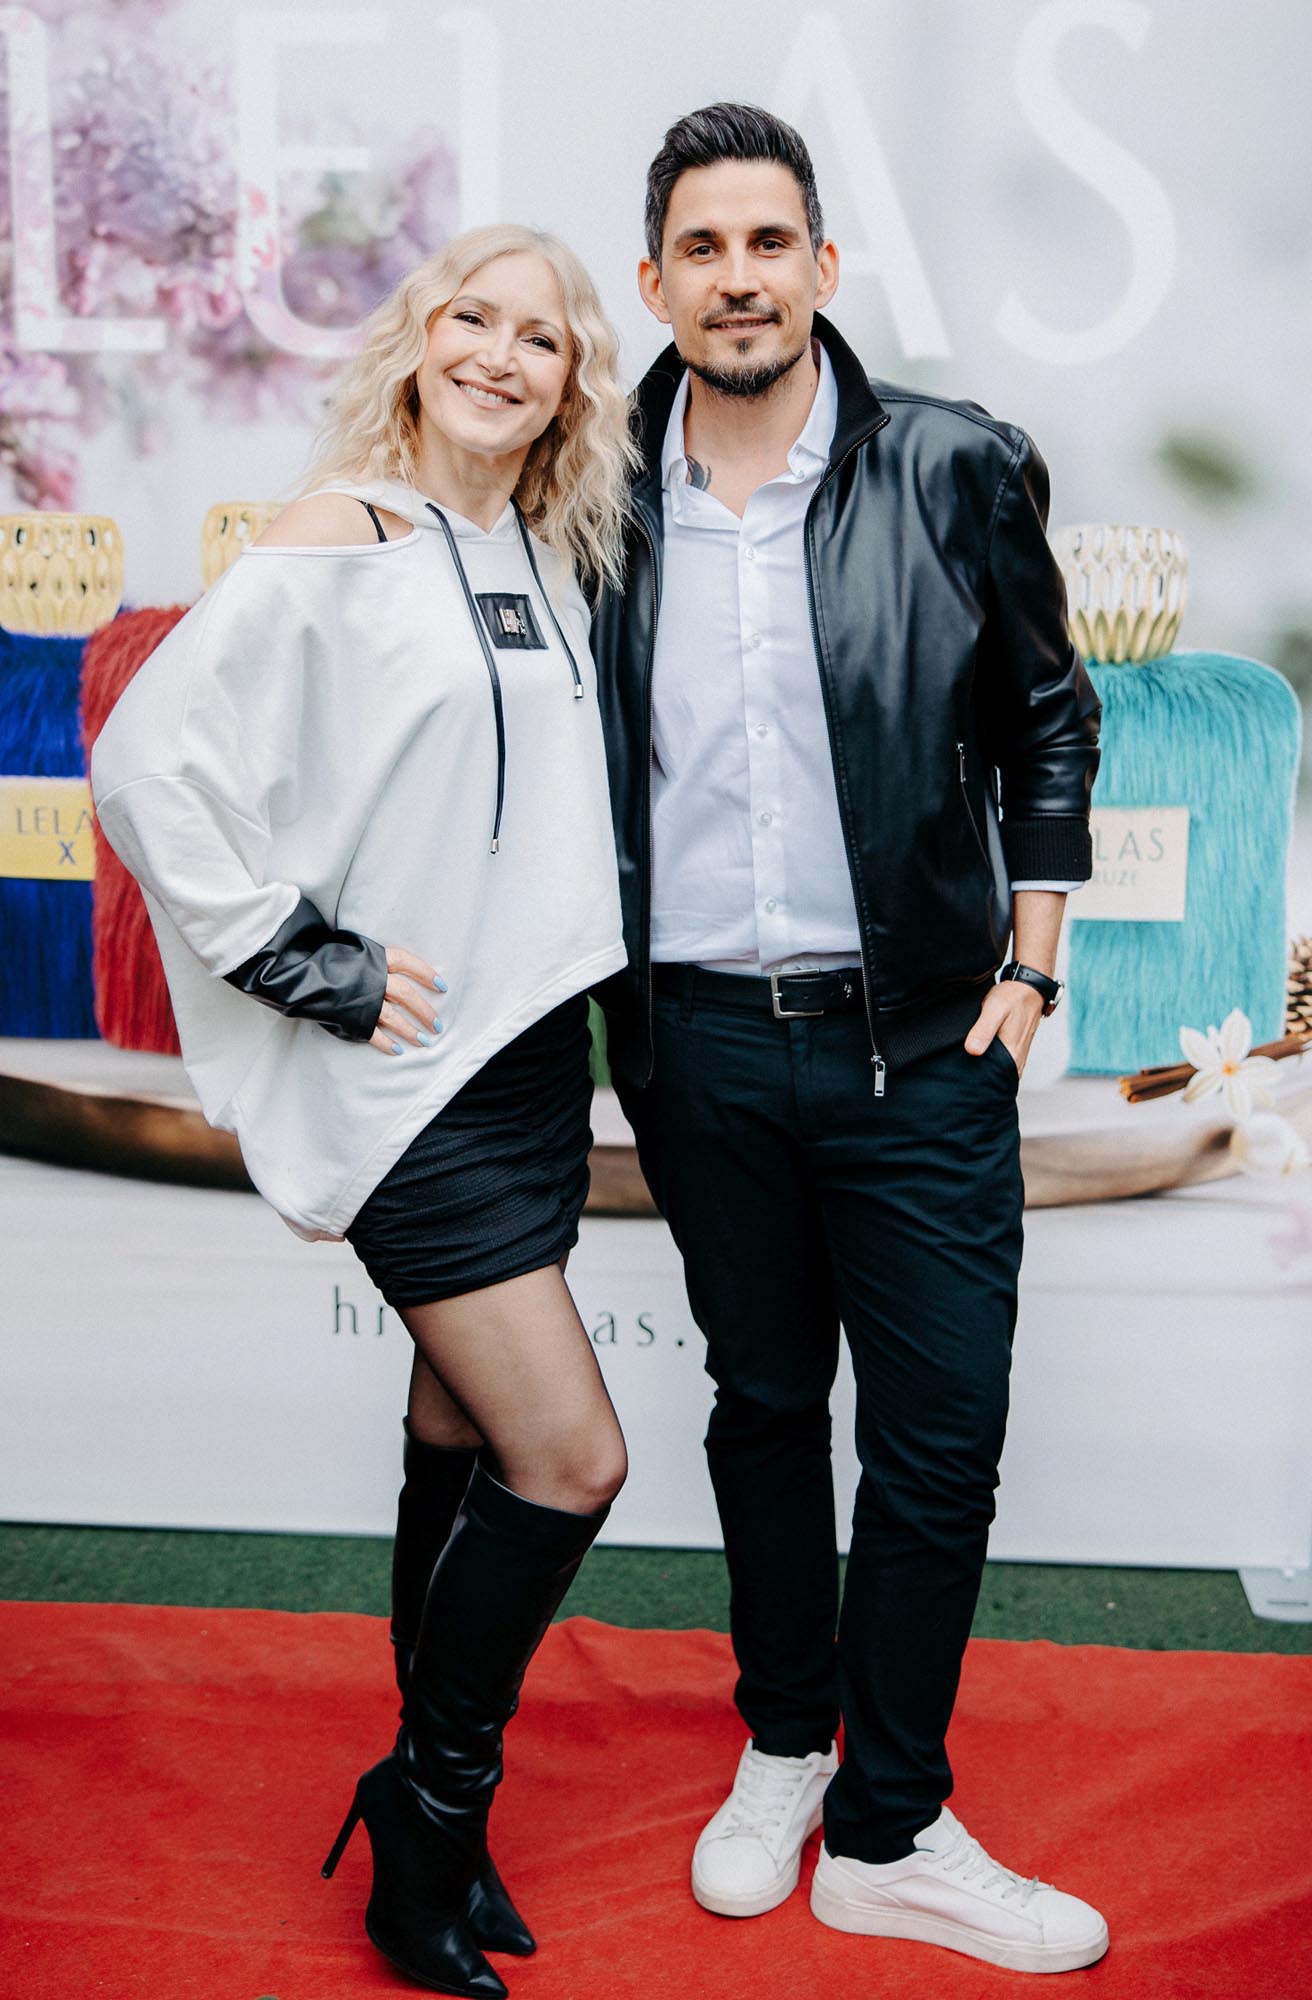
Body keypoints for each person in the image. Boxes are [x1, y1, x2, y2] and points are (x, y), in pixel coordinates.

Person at [91, 222, 636, 1999]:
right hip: (412, 1079)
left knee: (461, 1430)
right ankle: (429, 1800)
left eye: (540, 338)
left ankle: (441, 1823)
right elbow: (146, 756)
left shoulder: (536, 552)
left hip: (530, 1058)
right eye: (472, 318)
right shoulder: (345, 530)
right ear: (418, 342)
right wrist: (291, 956)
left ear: (569, 387)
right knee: (574, 1458)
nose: (499, 354)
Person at [592, 105, 1109, 1975]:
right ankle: (787, 1743)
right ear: (655, 280)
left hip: (924, 1049)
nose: (738, 278)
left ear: (822, 265)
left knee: (940, 1440)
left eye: (770, 243)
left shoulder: (956, 464)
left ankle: (890, 1827)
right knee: (760, 1409)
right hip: (698, 1047)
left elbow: (1050, 719)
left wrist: (1031, 970)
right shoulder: (591, 493)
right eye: (702, 247)